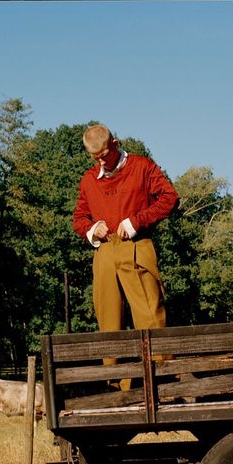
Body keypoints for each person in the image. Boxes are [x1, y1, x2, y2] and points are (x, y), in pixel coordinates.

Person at [73, 124, 178, 389]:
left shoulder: (142, 167)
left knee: (150, 317)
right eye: (94, 157)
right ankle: (116, 389)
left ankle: (164, 383)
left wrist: (137, 221)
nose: (100, 161)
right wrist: (91, 228)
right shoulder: (88, 180)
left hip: (136, 245)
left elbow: (169, 197)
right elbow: (79, 218)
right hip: (105, 252)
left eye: (104, 155)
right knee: (108, 323)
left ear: (116, 143)